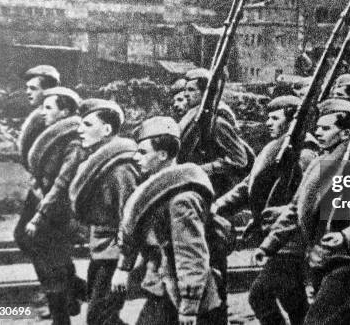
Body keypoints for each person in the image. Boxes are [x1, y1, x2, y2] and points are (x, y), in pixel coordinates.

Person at [255, 98, 350, 325]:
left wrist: (345, 236)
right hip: (321, 260)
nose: (318, 132)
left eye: (326, 128)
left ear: (345, 134)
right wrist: (269, 245)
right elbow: (295, 209)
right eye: (318, 127)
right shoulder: (318, 162)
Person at [113, 116, 226, 325]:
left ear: (163, 154)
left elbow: (191, 254)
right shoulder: (158, 192)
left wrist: (189, 307)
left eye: (143, 152)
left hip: (185, 296)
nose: (136, 157)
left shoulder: (180, 200)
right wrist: (123, 267)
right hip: (165, 286)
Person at [213, 95, 314, 325]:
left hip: (291, 241)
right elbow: (249, 185)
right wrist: (218, 206)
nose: (268, 122)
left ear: (292, 122)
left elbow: (308, 199)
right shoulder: (276, 149)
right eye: (268, 117)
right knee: (294, 301)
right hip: (277, 238)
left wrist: (278, 214)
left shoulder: (305, 154)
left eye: (275, 118)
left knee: (259, 296)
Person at [14, 87, 84, 325]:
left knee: (51, 264)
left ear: (64, 112)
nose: (42, 113)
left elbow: (62, 184)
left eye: (48, 108)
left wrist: (39, 216)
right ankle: (73, 297)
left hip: (59, 213)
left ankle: (63, 316)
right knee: (50, 262)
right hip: (48, 206)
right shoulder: (54, 137)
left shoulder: (74, 143)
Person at [69, 99, 138, 325]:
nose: (80, 130)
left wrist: (123, 267)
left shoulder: (120, 169)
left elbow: (130, 220)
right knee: (100, 318)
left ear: (107, 129)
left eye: (88, 125)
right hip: (101, 253)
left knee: (100, 318)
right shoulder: (101, 164)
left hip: (114, 255)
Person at [177, 68, 250, 196]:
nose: (186, 94)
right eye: (185, 90)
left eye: (191, 90)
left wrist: (206, 169)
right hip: (192, 184)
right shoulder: (192, 117)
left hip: (214, 189)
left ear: (206, 93)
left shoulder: (216, 122)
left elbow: (239, 159)